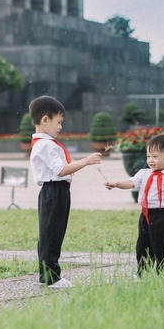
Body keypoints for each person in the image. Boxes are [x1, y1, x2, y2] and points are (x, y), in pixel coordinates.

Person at [28, 95, 103, 288]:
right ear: (45, 120)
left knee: (52, 233)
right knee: (51, 234)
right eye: (58, 122)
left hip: (56, 190)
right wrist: (85, 161)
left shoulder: (45, 143)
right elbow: (60, 170)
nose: (60, 127)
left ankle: (47, 275)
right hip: (54, 191)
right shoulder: (45, 145)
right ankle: (51, 277)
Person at [105, 133, 164, 276]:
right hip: (146, 214)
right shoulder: (143, 173)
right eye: (148, 156)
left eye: (155, 156)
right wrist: (116, 183)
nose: (150, 160)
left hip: (163, 215)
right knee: (143, 244)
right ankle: (143, 272)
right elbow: (131, 183)